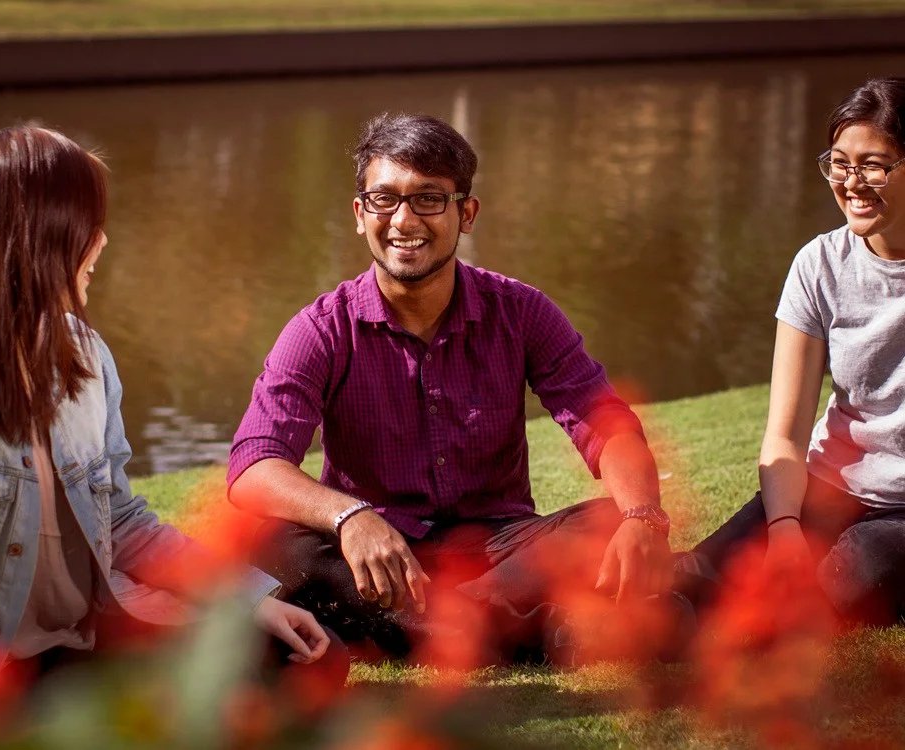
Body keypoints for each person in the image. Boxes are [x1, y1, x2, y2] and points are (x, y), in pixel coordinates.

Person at [0, 125, 345, 715]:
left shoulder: (85, 357)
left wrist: (250, 600)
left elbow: (125, 526)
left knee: (314, 654)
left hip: (88, 641)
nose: (102, 240)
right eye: (87, 222)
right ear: (39, 236)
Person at [229, 113, 684, 666]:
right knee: (272, 540)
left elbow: (606, 424)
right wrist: (351, 517)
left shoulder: (521, 311)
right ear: (359, 213)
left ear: (465, 213)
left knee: (607, 521)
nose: (403, 219)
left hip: (498, 551)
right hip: (377, 554)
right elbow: (253, 465)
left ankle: (427, 628)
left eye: (428, 199)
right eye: (384, 199)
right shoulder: (321, 329)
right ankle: (516, 628)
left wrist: (641, 516)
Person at [676, 77, 905, 627]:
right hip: (828, 486)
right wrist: (783, 527)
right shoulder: (819, 264)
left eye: (873, 165)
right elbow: (785, 433)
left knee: (842, 579)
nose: (853, 183)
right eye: (840, 164)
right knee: (695, 572)